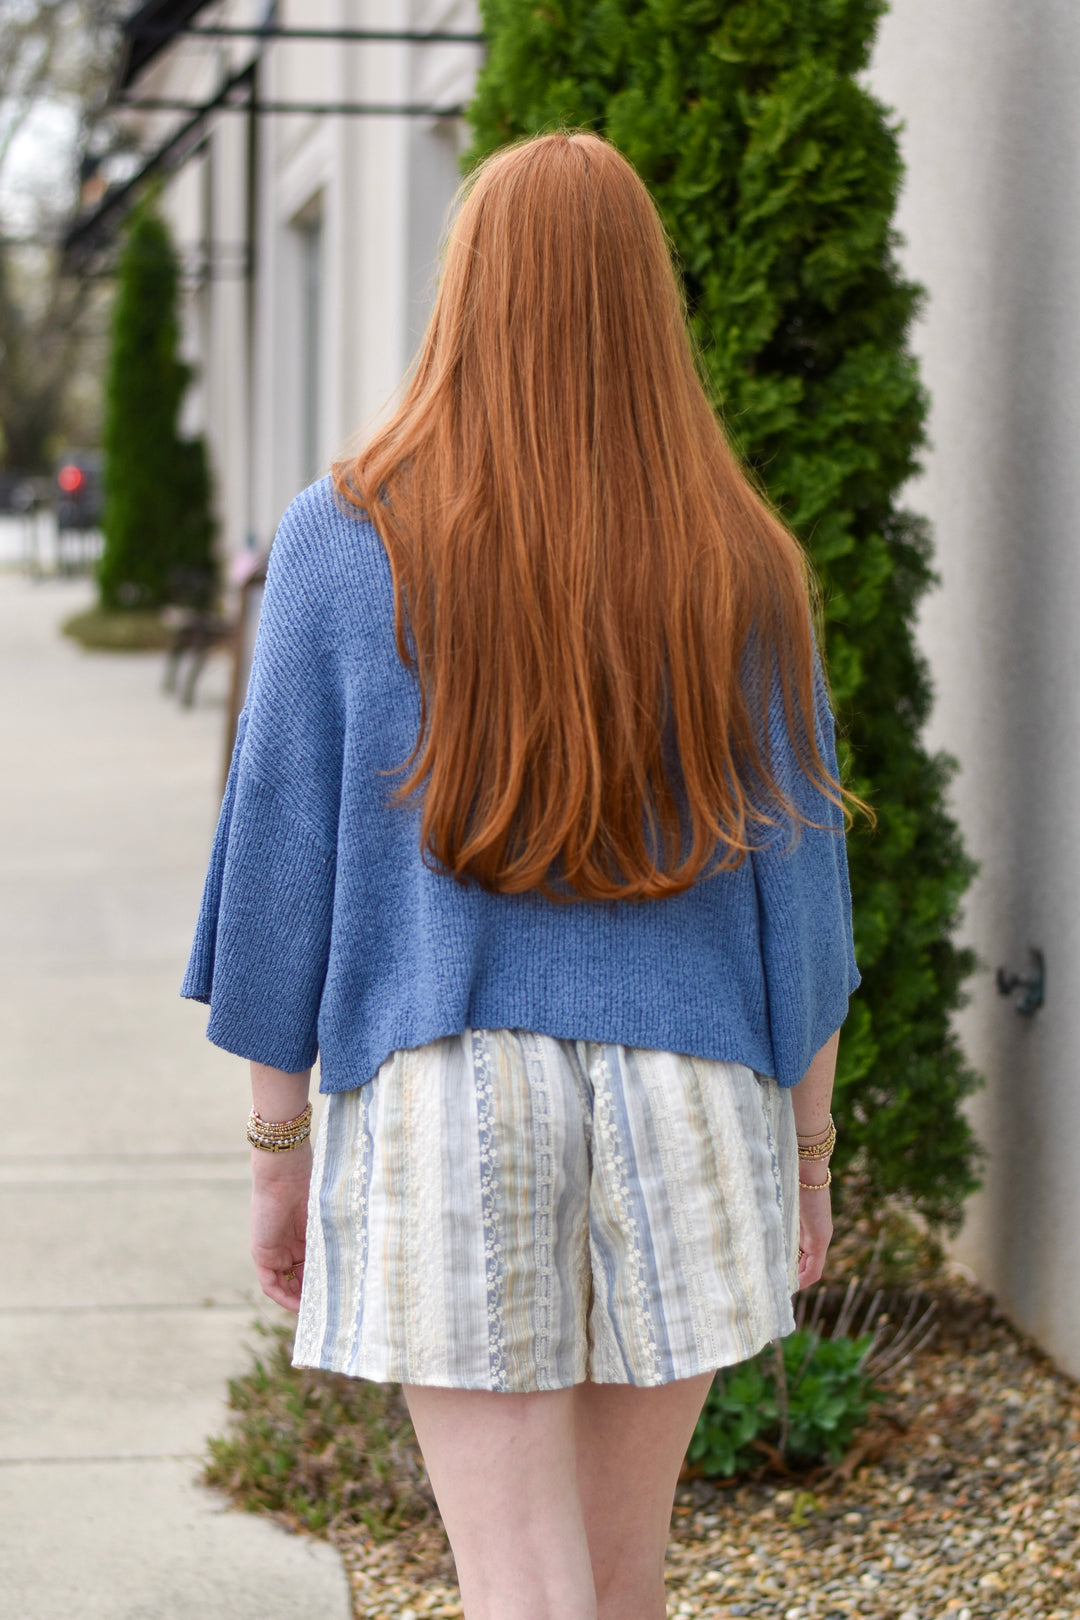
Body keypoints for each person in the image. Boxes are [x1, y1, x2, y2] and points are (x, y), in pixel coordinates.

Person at [183, 131, 861, 1620]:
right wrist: (808, 1154)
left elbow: (278, 874)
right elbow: (802, 911)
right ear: (647, 306)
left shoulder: (345, 536)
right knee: (620, 1587)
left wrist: (276, 1155)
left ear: (465, 290)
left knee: (524, 1591)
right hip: (692, 1096)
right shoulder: (743, 560)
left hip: (446, 1101)